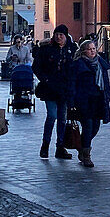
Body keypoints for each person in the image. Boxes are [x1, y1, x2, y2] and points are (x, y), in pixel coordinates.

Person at [33, 24, 76, 159]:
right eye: (56, 34)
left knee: (62, 119)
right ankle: (45, 146)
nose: (58, 37)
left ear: (66, 36)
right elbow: (36, 66)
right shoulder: (47, 49)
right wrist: (45, 79)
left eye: (61, 35)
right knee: (52, 116)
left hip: (64, 90)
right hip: (50, 89)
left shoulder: (72, 49)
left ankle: (60, 147)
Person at [70, 40, 110, 168]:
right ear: (83, 51)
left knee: (95, 127)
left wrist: (108, 95)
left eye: (94, 48)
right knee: (88, 126)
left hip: (98, 100)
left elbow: (105, 80)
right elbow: (72, 83)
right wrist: (72, 101)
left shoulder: (100, 63)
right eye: (89, 49)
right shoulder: (78, 65)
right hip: (84, 100)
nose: (93, 51)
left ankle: (82, 146)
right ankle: (86, 156)